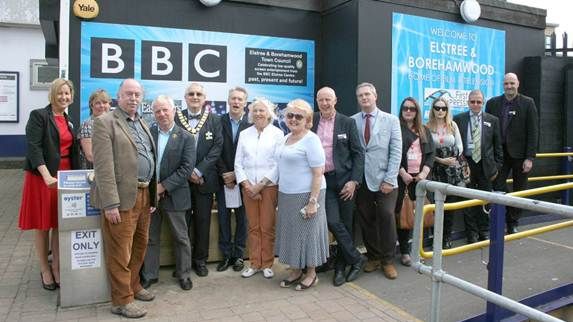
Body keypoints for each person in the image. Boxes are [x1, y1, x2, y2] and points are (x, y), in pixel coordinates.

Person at [91, 79, 156, 318]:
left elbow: (149, 157)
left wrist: (151, 197)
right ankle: (121, 301)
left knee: (140, 246)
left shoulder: (142, 122)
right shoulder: (104, 122)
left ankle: (133, 285)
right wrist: (110, 203)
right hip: (120, 199)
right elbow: (103, 168)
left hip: (143, 195)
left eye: (137, 94)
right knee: (120, 251)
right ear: (118, 95)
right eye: (128, 93)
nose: (133, 98)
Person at [19, 78, 80, 291]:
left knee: (59, 223)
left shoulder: (69, 119)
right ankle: (45, 269)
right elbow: (34, 148)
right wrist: (46, 176)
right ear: (52, 95)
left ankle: (57, 268)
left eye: (67, 93)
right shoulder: (39, 116)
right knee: (43, 225)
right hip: (43, 178)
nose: (64, 97)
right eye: (60, 93)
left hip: (64, 176)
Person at [311, 87, 366, 286]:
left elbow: (359, 153)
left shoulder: (347, 122)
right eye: (321, 100)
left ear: (336, 100)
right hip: (322, 181)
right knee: (333, 222)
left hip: (344, 182)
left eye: (328, 99)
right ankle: (356, 259)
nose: (324, 103)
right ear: (317, 101)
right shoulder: (312, 120)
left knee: (345, 223)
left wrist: (354, 181)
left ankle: (342, 266)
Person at [141, 95, 195, 291]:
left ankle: (184, 275)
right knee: (150, 237)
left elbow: (186, 168)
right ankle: (149, 275)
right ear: (153, 113)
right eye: (157, 111)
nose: (162, 114)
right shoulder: (147, 133)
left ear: (173, 111)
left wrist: (162, 187)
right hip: (149, 195)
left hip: (175, 194)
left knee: (181, 238)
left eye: (165, 110)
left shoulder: (186, 137)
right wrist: (151, 187)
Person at [275, 99, 329, 291]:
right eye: (290, 115)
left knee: (308, 235)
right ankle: (296, 270)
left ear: (307, 119)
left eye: (299, 116)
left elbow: (318, 172)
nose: (293, 119)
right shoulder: (285, 138)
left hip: (308, 194)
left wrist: (313, 202)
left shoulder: (311, 139)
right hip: (287, 195)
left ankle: (311, 274)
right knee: (292, 234)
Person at [351, 82, 402, 280]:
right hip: (362, 179)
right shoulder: (352, 121)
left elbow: (396, 151)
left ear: (375, 96)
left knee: (386, 216)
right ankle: (373, 257)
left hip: (385, 180)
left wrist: (390, 179)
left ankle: (388, 260)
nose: (364, 98)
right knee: (366, 218)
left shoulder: (391, 120)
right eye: (360, 96)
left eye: (367, 95)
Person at [175, 83, 223, 277]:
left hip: (204, 180)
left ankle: (200, 260)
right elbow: (173, 148)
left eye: (199, 94)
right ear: (185, 97)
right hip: (181, 181)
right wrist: (188, 172)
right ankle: (183, 264)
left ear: (205, 98)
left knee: (203, 222)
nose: (195, 97)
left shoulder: (215, 119)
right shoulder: (176, 118)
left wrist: (199, 170)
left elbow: (217, 148)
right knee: (182, 224)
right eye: (191, 94)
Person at [234, 98, 284, 278]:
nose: (258, 114)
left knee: (267, 226)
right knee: (253, 227)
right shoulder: (244, 134)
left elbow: (278, 164)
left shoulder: (277, 134)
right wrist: (247, 185)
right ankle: (254, 263)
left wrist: (260, 185)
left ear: (269, 113)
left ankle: (267, 264)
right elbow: (238, 163)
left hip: (268, 186)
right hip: (248, 187)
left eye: (262, 110)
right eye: (255, 111)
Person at [485, 73, 538, 234]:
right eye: (506, 83)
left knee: (520, 189)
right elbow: (488, 131)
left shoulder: (528, 103)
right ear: (503, 85)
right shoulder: (493, 103)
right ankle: (507, 211)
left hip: (520, 156)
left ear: (518, 84)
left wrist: (530, 157)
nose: (509, 86)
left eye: (512, 83)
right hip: (499, 155)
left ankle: (513, 222)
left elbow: (533, 131)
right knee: (498, 185)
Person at [454, 89, 503, 244]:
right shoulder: (458, 119)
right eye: (473, 101)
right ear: (468, 102)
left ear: (483, 103)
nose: (476, 104)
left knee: (484, 200)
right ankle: (471, 234)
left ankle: (484, 231)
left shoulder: (492, 120)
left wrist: (496, 168)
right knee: (467, 201)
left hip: (485, 166)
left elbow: (498, 146)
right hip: (467, 164)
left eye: (479, 102)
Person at [395, 97, 434, 266]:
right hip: (403, 179)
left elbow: (431, 154)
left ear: (417, 111)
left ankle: (419, 250)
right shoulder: (395, 129)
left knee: (421, 217)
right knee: (403, 217)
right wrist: (402, 172)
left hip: (421, 180)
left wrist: (425, 172)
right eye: (405, 108)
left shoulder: (424, 130)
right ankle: (404, 252)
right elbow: (391, 154)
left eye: (412, 108)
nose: (408, 111)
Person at [215, 87, 251, 272]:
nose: (236, 102)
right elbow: (215, 149)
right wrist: (225, 174)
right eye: (233, 99)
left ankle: (239, 255)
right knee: (223, 218)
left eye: (240, 99)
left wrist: (237, 175)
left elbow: (253, 154)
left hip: (244, 179)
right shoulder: (218, 121)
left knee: (242, 219)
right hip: (223, 179)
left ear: (245, 102)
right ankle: (226, 255)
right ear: (228, 101)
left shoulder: (252, 124)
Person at [427, 97, 464, 249]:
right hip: (435, 171)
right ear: (433, 109)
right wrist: (441, 160)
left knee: (450, 206)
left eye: (444, 108)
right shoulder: (427, 126)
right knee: (436, 205)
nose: (440, 111)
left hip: (452, 172)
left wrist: (452, 158)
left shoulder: (453, 125)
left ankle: (446, 237)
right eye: (437, 108)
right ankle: (436, 236)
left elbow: (460, 146)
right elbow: (426, 151)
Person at [78, 89, 111, 169]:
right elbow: (90, 156)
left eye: (105, 102)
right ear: (91, 106)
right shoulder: (87, 125)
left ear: (109, 105)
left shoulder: (114, 124)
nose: (102, 106)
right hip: (93, 173)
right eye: (98, 103)